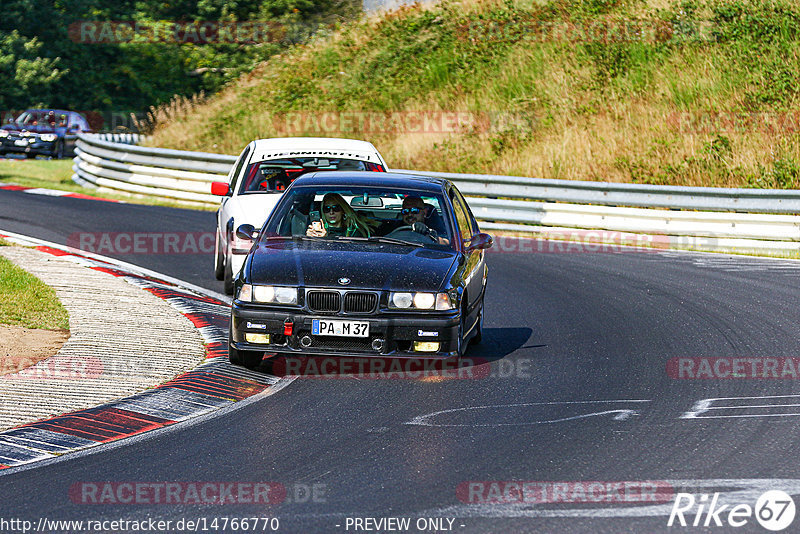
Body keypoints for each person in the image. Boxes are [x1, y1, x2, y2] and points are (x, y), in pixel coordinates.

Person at [306, 192, 376, 238]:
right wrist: (308, 239)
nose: (331, 212)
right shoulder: (316, 230)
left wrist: (326, 238)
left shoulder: (354, 232)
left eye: (336, 208)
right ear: (323, 211)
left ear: (343, 210)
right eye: (327, 209)